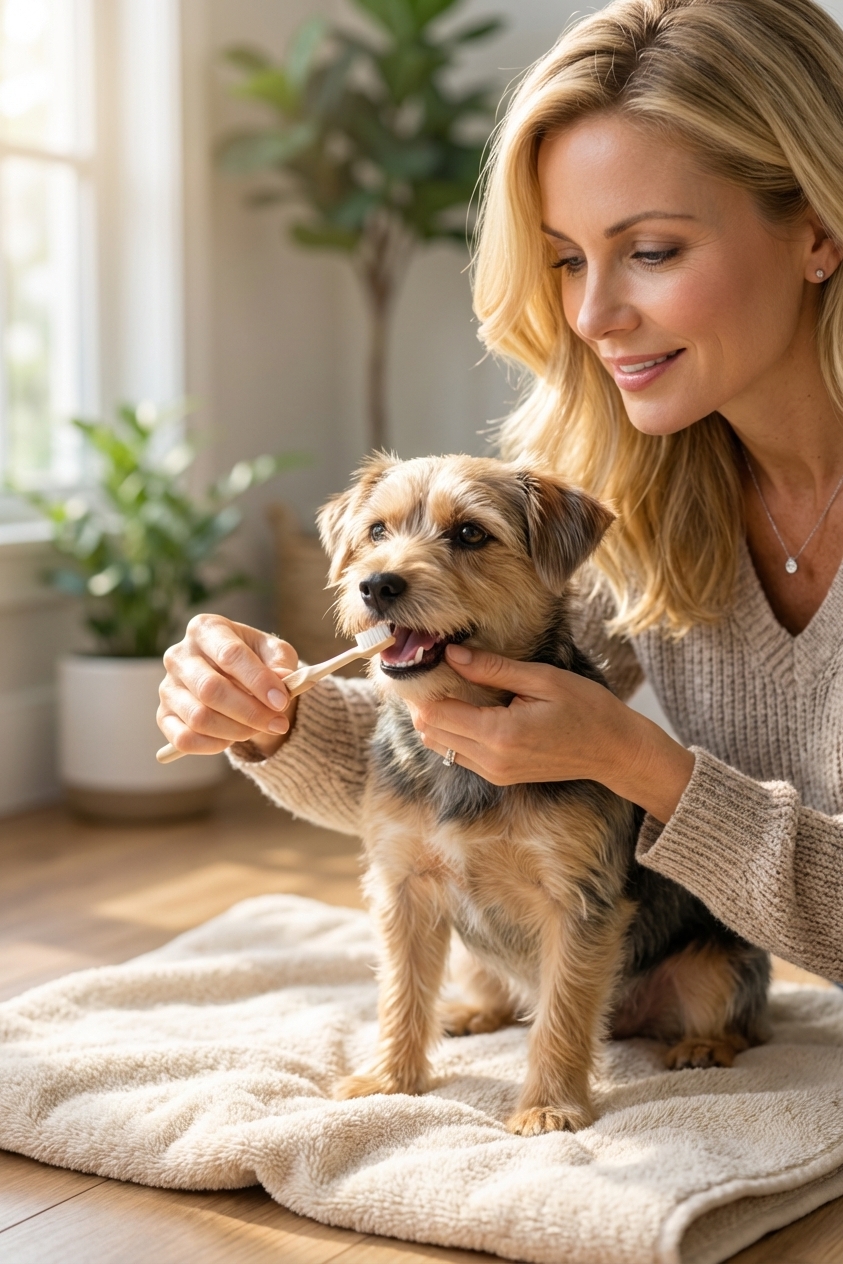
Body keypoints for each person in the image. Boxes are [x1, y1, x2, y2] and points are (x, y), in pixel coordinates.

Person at [158, 0, 843, 982]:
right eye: (567, 259)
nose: (594, 315)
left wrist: (642, 765)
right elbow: (462, 755)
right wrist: (274, 720)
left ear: (817, 232)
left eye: (651, 250)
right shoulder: (651, 497)